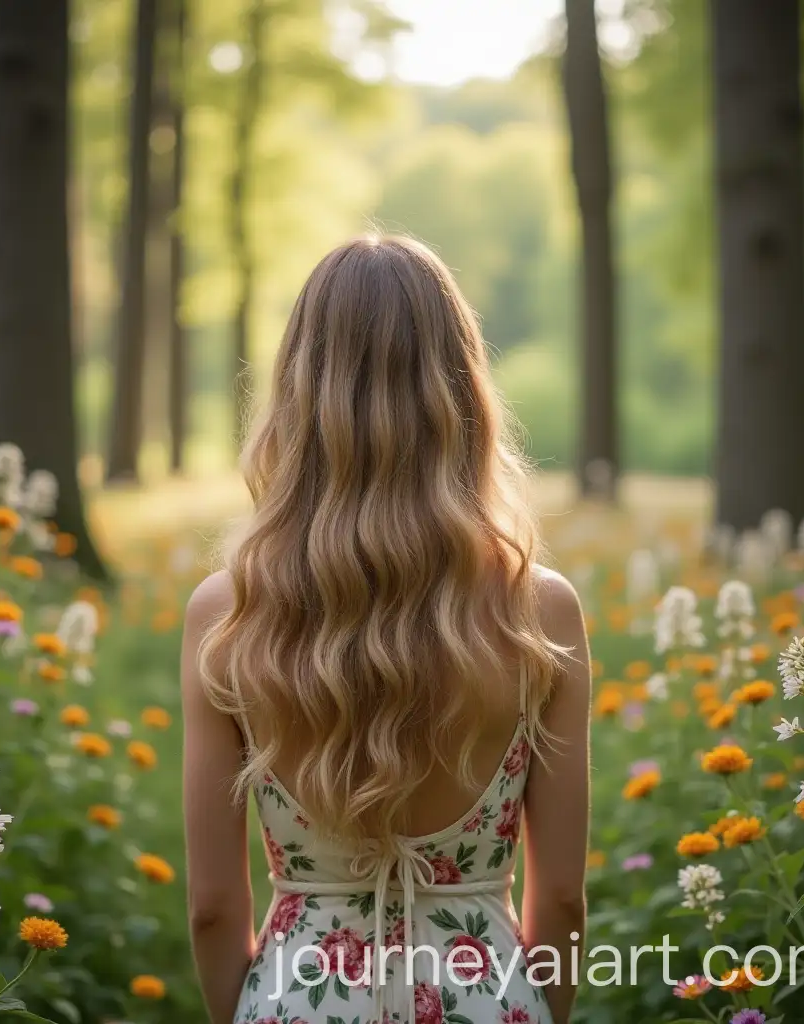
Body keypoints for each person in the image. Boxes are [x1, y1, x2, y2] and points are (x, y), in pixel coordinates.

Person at [181, 235, 591, 1024]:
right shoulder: (539, 609)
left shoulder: (227, 614)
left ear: (297, 393)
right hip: (488, 994)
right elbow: (565, 896)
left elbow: (211, 905)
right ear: (463, 392)